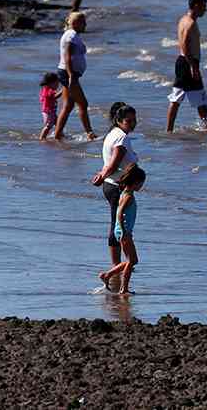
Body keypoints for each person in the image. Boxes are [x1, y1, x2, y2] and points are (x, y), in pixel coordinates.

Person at [89, 102, 140, 284]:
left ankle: (118, 266)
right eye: (129, 121)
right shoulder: (121, 138)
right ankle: (117, 267)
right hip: (116, 186)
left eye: (135, 120)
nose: (133, 124)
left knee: (117, 224)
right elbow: (114, 161)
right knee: (119, 226)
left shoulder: (114, 134)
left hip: (112, 184)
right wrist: (102, 175)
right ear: (119, 120)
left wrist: (103, 175)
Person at [167, 0, 207, 133]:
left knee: (196, 98)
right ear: (197, 5)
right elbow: (185, 44)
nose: (205, 10)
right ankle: (169, 130)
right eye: (204, 6)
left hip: (185, 61)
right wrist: (193, 66)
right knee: (179, 98)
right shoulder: (190, 23)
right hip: (188, 63)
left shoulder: (184, 19)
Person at [98, 164, 146, 295]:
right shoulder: (128, 196)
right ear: (136, 182)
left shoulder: (124, 192)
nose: (142, 186)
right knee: (132, 261)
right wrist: (124, 231)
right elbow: (119, 213)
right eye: (142, 183)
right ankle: (123, 288)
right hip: (124, 232)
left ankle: (108, 275)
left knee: (133, 260)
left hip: (122, 231)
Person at [53, 11, 96, 139]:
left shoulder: (72, 35)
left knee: (68, 105)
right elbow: (67, 56)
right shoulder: (71, 36)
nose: (86, 25)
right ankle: (90, 134)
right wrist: (71, 75)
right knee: (83, 104)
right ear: (76, 23)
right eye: (83, 23)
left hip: (67, 73)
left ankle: (57, 134)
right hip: (68, 73)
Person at [37, 71, 61, 141]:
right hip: (48, 111)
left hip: (51, 111)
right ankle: (42, 138)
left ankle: (60, 134)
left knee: (58, 123)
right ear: (51, 83)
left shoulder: (47, 89)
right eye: (57, 83)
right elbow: (55, 96)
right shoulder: (48, 90)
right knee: (48, 125)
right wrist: (63, 90)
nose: (58, 85)